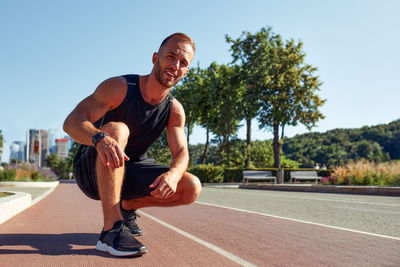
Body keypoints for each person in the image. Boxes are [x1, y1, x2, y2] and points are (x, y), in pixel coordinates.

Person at [63, 33, 202, 257]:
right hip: (92, 166)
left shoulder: (174, 109)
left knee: (191, 187)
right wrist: (99, 138)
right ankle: (111, 231)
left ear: (186, 71)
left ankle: (126, 207)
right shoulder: (120, 87)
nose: (175, 65)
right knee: (118, 129)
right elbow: (71, 122)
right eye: (171, 57)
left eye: (183, 63)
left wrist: (174, 175)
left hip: (131, 169)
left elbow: (182, 152)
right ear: (156, 57)